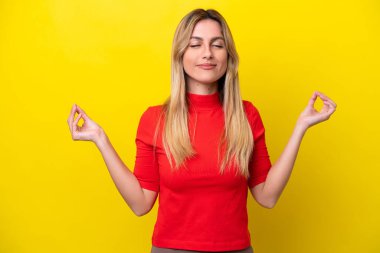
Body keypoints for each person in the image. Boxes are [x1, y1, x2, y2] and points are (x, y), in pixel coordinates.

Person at [67, 8, 336, 253]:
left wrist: (301, 126)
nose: (207, 53)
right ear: (180, 54)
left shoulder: (246, 115)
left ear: (228, 56)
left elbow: (267, 196)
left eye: (217, 45)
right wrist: (99, 139)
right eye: (195, 45)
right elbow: (140, 203)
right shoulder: (155, 119)